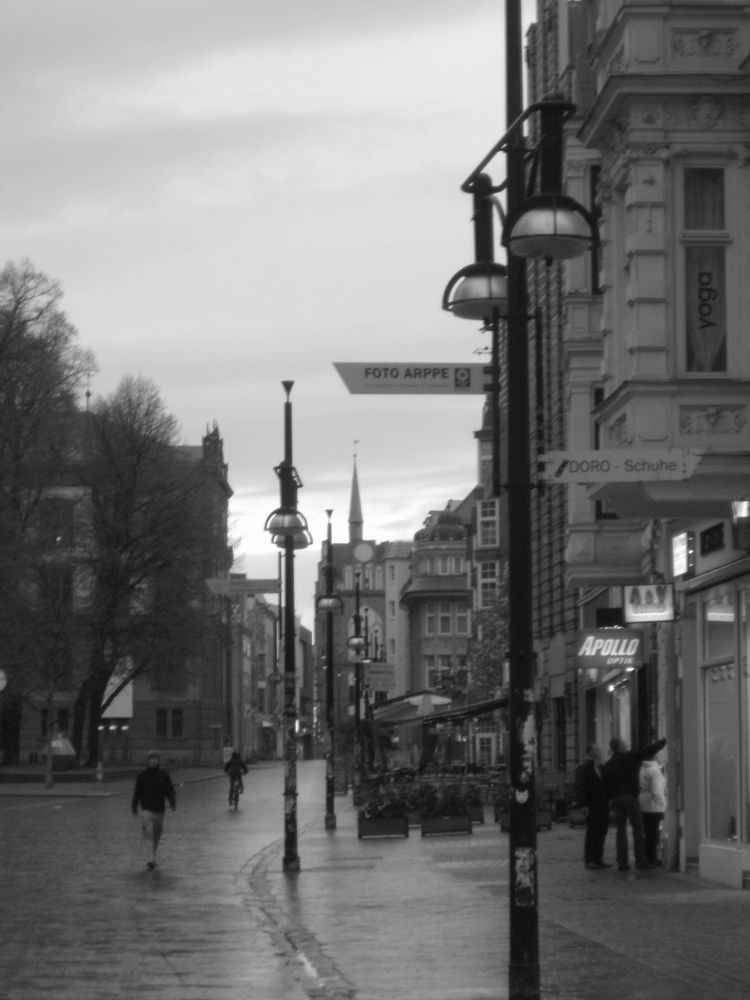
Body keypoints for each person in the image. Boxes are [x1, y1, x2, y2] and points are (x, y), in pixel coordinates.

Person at [602, 735, 666, 872]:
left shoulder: (608, 765)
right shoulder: (629, 757)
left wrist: (610, 800)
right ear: (619, 746)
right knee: (638, 829)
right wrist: (661, 743)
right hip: (630, 797)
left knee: (620, 831)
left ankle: (622, 862)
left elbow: (605, 786)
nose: (626, 745)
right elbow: (647, 752)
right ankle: (640, 860)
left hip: (617, 799)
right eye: (624, 743)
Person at [131, 750, 176, 870]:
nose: (153, 761)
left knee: (157, 834)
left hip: (159, 810)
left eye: (155, 758)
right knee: (148, 833)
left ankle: (152, 856)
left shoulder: (164, 774)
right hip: (146, 809)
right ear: (148, 760)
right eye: (151, 758)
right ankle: (150, 859)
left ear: (158, 760)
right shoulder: (142, 775)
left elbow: (169, 790)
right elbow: (137, 792)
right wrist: (134, 807)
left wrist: (172, 802)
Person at [574, 743, 611, 870]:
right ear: (590, 752)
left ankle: (598, 858)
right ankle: (589, 859)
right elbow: (581, 787)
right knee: (592, 832)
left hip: (603, 805)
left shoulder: (600, 766)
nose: (600, 751)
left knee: (602, 832)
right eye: (597, 750)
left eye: (599, 749)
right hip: (592, 805)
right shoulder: (585, 767)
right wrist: (583, 804)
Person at [639, 750, 667, 866]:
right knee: (654, 833)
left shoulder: (642, 769)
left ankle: (647, 855)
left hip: (643, 802)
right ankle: (652, 857)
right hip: (653, 805)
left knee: (647, 831)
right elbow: (656, 791)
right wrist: (663, 803)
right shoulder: (655, 772)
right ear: (655, 757)